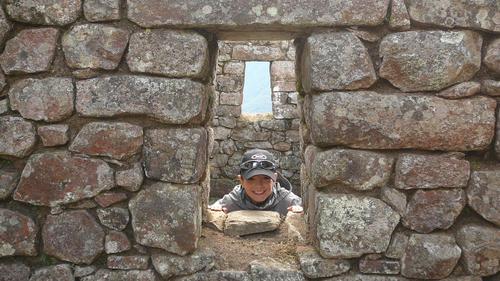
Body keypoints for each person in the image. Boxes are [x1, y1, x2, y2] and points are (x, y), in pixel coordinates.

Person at [209, 149, 303, 217]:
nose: (259, 185)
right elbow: (215, 208)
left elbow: (303, 207)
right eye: (251, 179)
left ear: (274, 178)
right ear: (241, 180)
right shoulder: (231, 201)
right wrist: (217, 211)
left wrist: (299, 210)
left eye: (266, 178)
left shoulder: (288, 201)